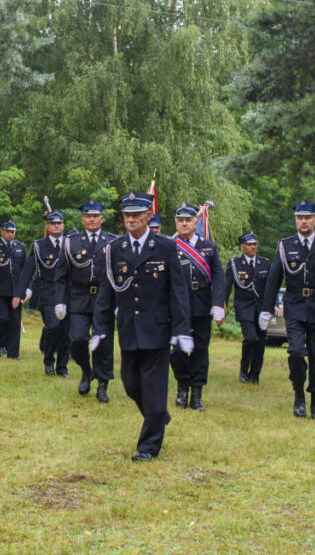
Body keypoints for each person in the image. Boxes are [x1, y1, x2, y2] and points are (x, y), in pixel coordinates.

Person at [94, 191, 191, 461]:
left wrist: (182, 329)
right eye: (127, 215)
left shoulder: (165, 246)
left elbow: (178, 291)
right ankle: (158, 415)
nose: (131, 219)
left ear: (148, 216)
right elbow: (106, 292)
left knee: (153, 389)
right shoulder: (115, 249)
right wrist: (99, 327)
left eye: (136, 214)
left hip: (157, 330)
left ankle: (148, 446)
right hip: (128, 330)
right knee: (130, 384)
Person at [260, 200, 315, 419]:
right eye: (300, 218)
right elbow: (273, 279)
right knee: (296, 352)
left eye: (307, 218)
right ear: (296, 220)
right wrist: (266, 309)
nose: (304, 222)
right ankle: (298, 394)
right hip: (295, 306)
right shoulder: (285, 245)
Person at [170, 203, 225, 411]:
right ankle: (182, 386)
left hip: (201, 303)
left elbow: (219, 277)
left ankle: (196, 394)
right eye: (180, 220)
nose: (184, 224)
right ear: (176, 223)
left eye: (188, 220)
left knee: (200, 350)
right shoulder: (169, 246)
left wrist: (218, 304)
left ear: (196, 222)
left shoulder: (209, 247)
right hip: (177, 305)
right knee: (177, 351)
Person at [63, 200, 118, 402]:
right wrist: (60, 301)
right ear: (82, 220)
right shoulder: (71, 242)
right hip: (79, 298)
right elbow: (62, 274)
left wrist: (120, 301)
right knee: (77, 339)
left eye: (96, 216)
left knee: (104, 343)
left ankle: (103, 385)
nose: (92, 219)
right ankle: (87, 370)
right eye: (88, 216)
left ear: (102, 219)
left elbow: (120, 273)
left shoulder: (113, 241)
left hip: (105, 298)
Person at [18, 210, 71, 377]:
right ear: (47, 226)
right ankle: (49, 360)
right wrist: (19, 293)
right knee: (53, 327)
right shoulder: (39, 245)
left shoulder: (71, 243)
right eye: (53, 223)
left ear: (63, 225)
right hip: (48, 294)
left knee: (66, 332)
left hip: (68, 294)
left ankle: (62, 367)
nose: (56, 226)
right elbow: (28, 270)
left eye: (59, 223)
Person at [224, 231, 271, 385]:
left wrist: (273, 305)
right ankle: (244, 370)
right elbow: (226, 287)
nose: (253, 247)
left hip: (261, 308)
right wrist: (222, 306)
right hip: (244, 307)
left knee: (260, 343)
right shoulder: (235, 264)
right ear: (242, 247)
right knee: (251, 338)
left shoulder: (265, 263)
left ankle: (254, 376)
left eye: (255, 244)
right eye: (250, 244)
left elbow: (271, 287)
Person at [0, 219, 27, 360]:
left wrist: (26, 289)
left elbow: (25, 271)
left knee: (15, 321)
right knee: (3, 318)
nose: (10, 234)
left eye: (12, 232)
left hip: (16, 292)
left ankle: (13, 353)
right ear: (2, 232)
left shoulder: (20, 247)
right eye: (7, 231)